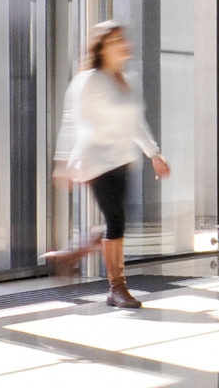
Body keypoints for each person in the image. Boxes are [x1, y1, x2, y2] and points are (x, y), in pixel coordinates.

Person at [47, 21, 171, 309]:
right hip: (95, 159)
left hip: (123, 159)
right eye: (115, 40)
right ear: (102, 47)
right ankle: (117, 289)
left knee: (117, 220)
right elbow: (71, 122)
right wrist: (62, 163)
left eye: (123, 39)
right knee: (116, 220)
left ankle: (71, 254)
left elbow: (135, 122)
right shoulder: (88, 81)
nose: (123, 44)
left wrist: (154, 154)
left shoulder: (129, 78)